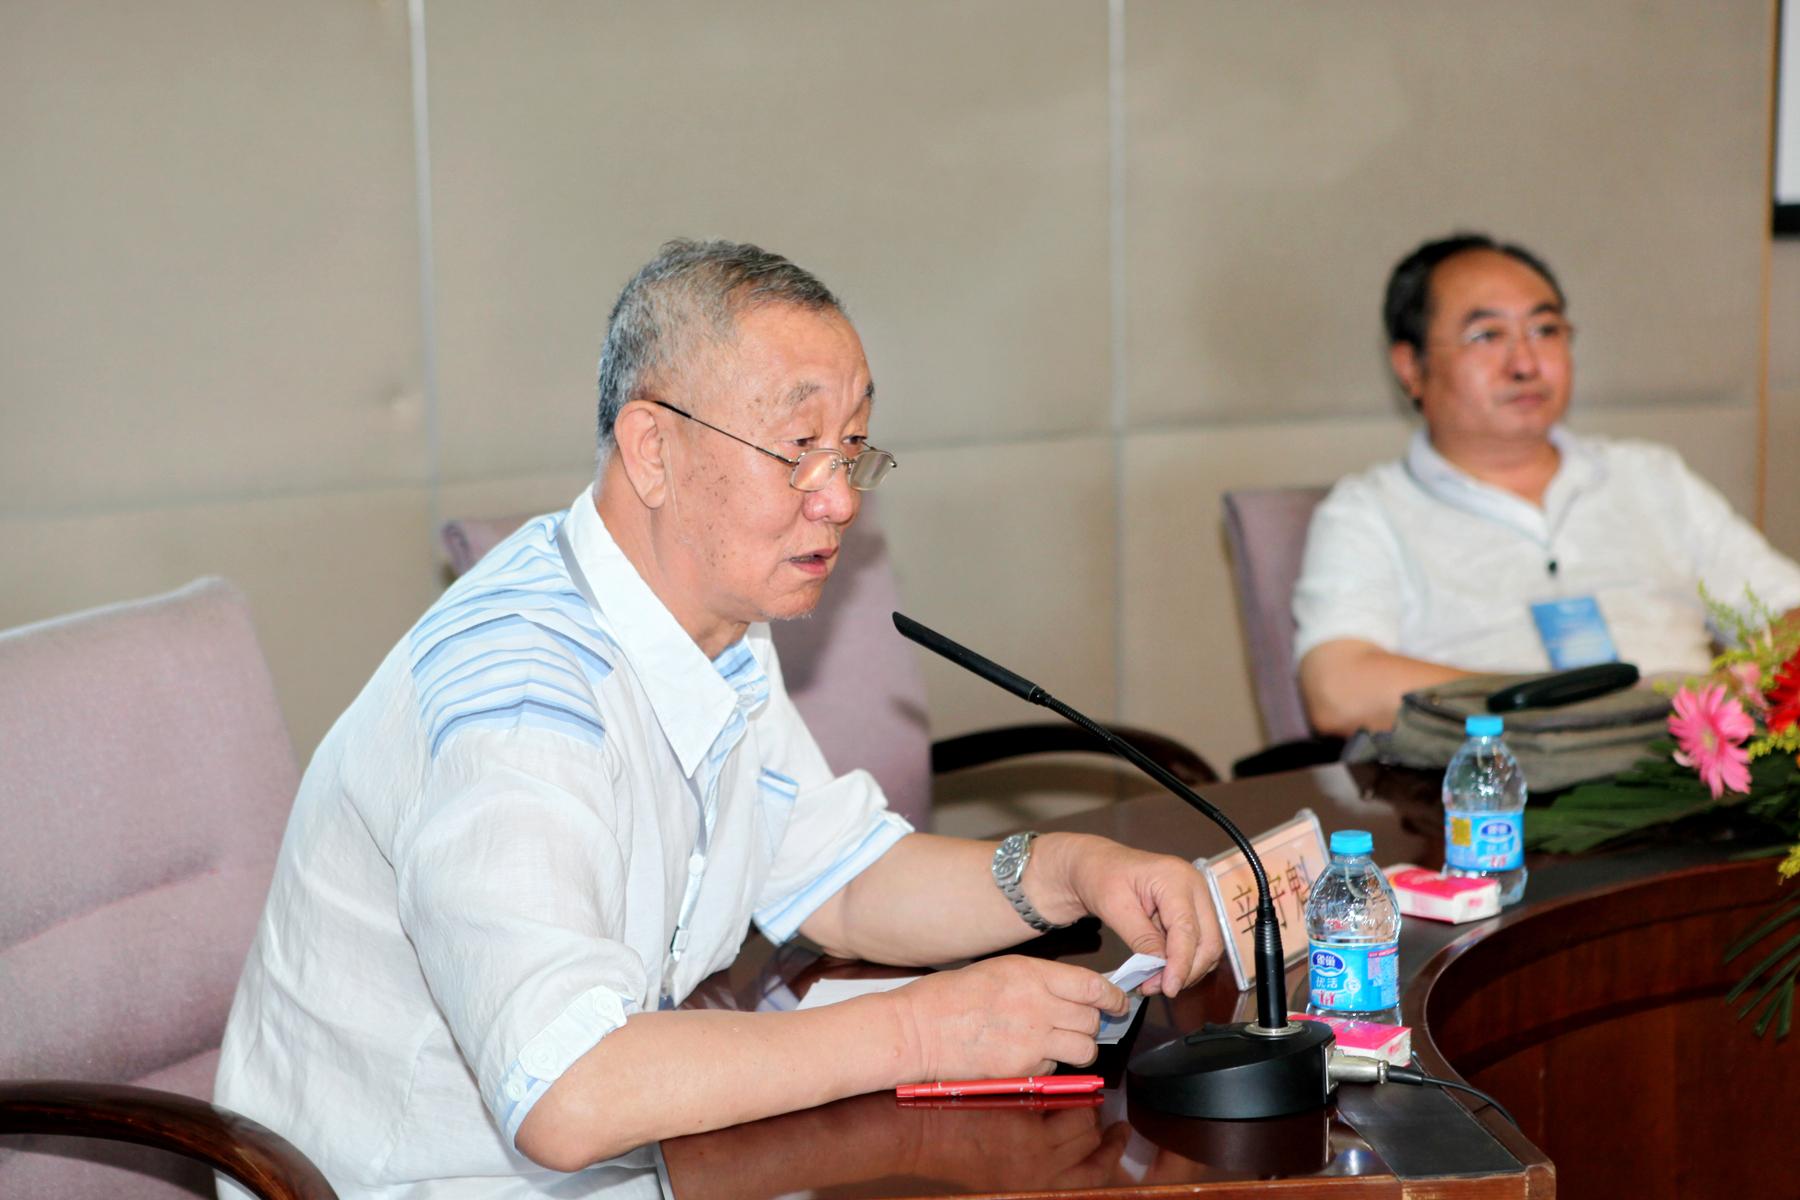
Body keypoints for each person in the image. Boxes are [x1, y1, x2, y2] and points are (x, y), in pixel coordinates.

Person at [215, 239, 1222, 1198]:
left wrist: (1065, 873)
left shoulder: (713, 631)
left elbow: (841, 881)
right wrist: (919, 1033)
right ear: (652, 449)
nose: (839, 500)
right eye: (798, 449)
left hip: (648, 1165)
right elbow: (568, 1090)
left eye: (852, 449)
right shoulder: (519, 693)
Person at [1293, 233, 1800, 738]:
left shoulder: (1650, 477)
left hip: (1685, 763)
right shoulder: (1370, 511)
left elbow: (1787, 612)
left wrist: (1740, 686)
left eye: (1545, 330)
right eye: (1486, 336)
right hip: (1500, 773)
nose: (1525, 364)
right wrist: (1563, 705)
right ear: (1410, 366)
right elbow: (1339, 691)